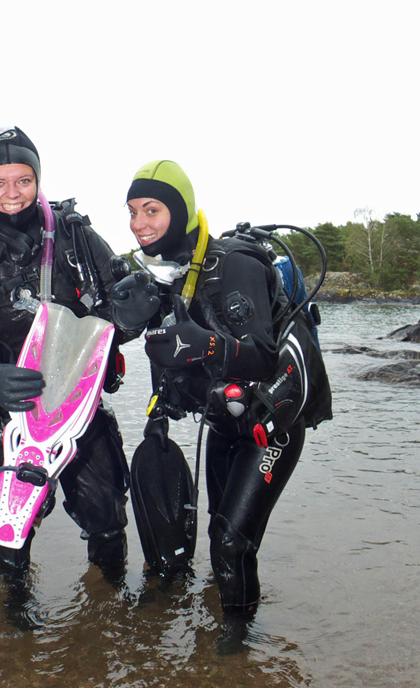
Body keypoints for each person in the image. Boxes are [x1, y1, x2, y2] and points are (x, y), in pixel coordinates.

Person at [0, 126, 158, 578]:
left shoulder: (76, 239)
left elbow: (114, 316)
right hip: (2, 416)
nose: (12, 193)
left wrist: (131, 318)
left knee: (106, 520)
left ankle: (104, 625)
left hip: (77, 410)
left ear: (38, 179)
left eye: (23, 180)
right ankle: (11, 636)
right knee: (12, 537)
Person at [122, 160, 331, 619]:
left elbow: (260, 353)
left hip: (270, 425)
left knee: (232, 543)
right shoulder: (170, 277)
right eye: (133, 211)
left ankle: (235, 655)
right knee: (220, 537)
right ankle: (221, 628)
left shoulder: (233, 266)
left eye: (152, 210)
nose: (140, 223)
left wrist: (208, 345)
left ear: (180, 212)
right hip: (223, 423)